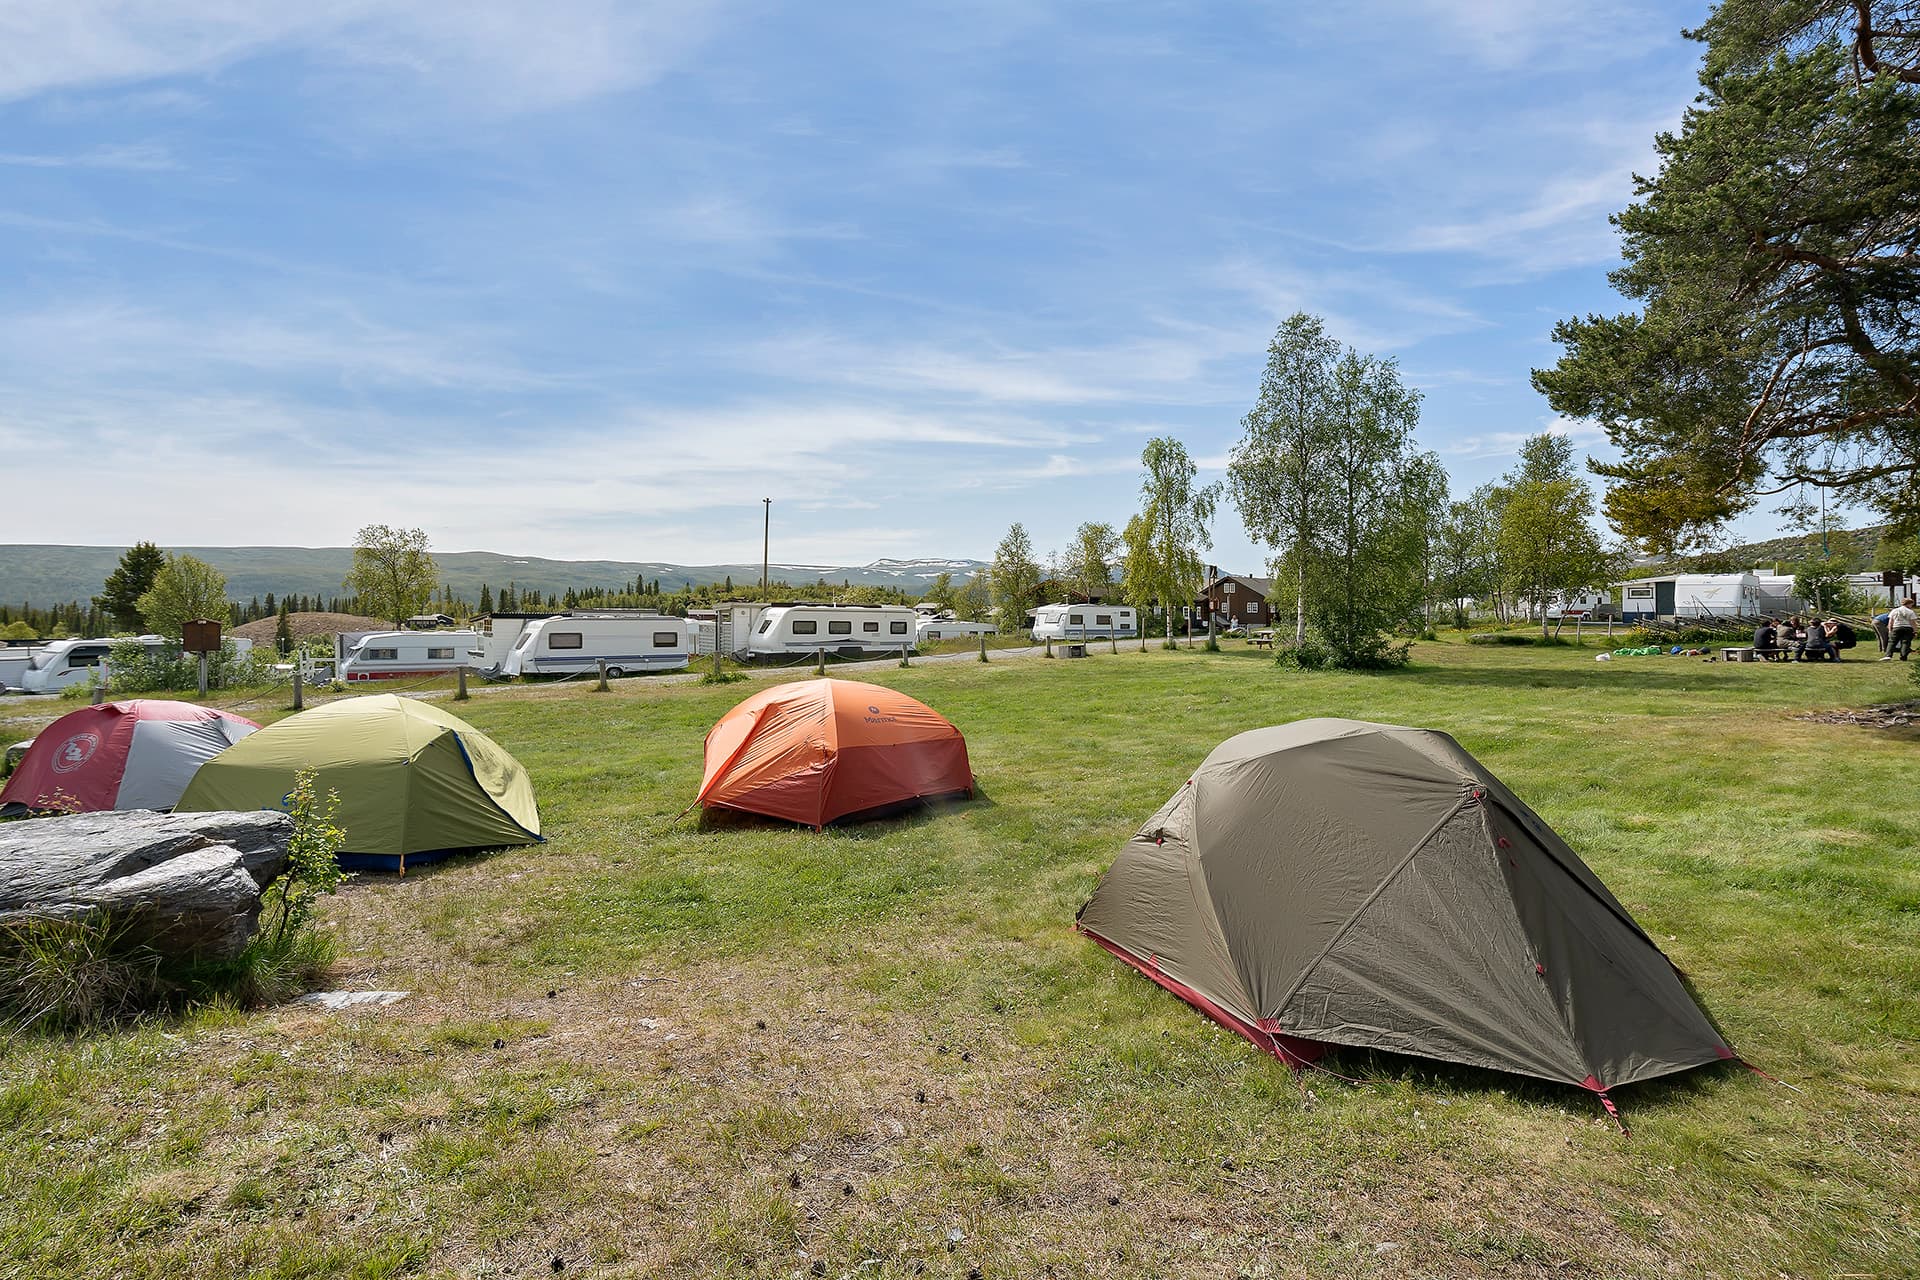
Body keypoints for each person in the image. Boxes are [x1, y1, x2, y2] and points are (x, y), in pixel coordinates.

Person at [1887, 597, 1917, 661]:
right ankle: (1903, 657)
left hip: (1896, 627)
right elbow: (1913, 623)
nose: (1912, 606)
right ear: (1908, 604)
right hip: (1907, 628)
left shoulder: (1894, 610)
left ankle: (1888, 655)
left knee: (1892, 642)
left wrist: (1890, 629)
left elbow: (1891, 621)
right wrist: (1915, 631)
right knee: (1905, 643)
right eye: (1911, 604)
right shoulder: (1910, 611)